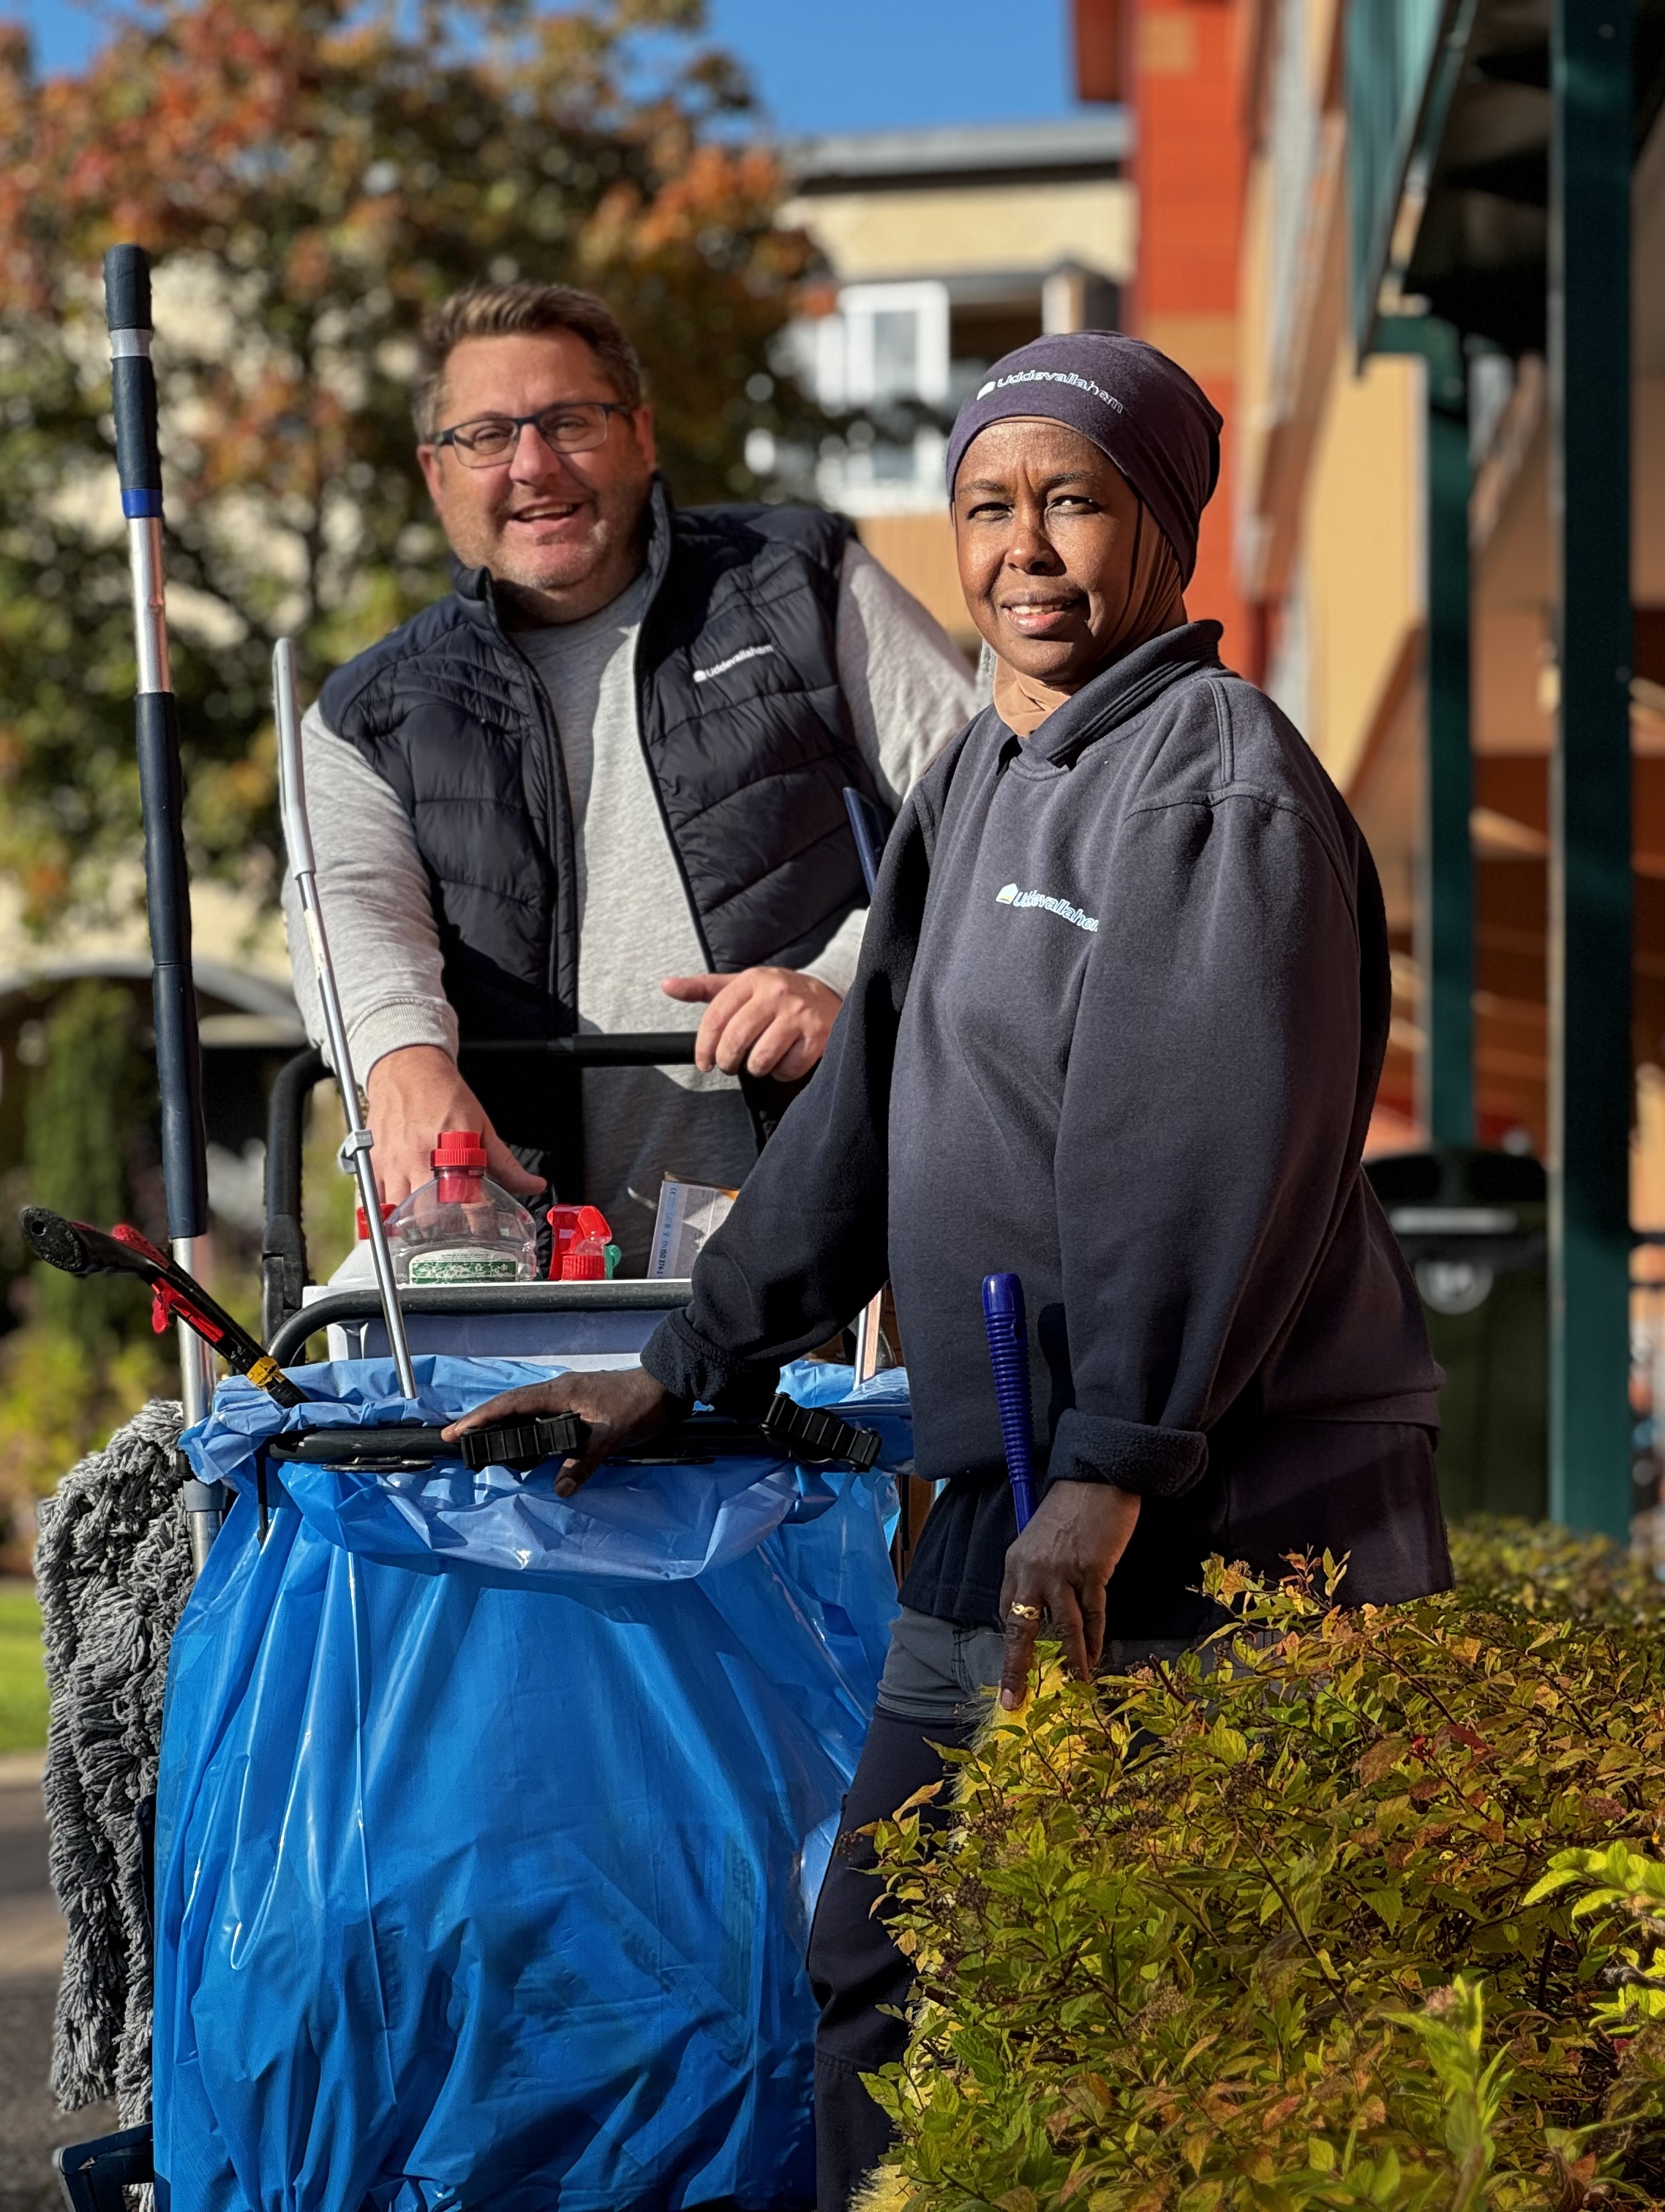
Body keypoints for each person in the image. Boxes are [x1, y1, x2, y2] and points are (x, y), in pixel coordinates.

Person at [449, 330, 1448, 2209]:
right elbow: (865, 1117)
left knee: (1190, 2011)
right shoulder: (989, 770)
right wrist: (678, 1366)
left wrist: (1114, 1465)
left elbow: (1197, 1154)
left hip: (1215, 1517)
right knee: (895, 1960)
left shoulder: (1211, 787)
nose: (1024, 552)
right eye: (989, 508)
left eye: (1075, 503)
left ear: (1163, 528)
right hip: (1023, 1485)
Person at [285, 282, 980, 1225]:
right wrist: (400, 1060)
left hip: (838, 1238)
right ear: (435, 473)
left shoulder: (805, 580)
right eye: (486, 436)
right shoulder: (364, 714)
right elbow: (350, 907)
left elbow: (984, 821)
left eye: (571, 422)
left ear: (641, 436)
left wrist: (847, 986)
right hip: (524, 1267)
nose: (534, 465)